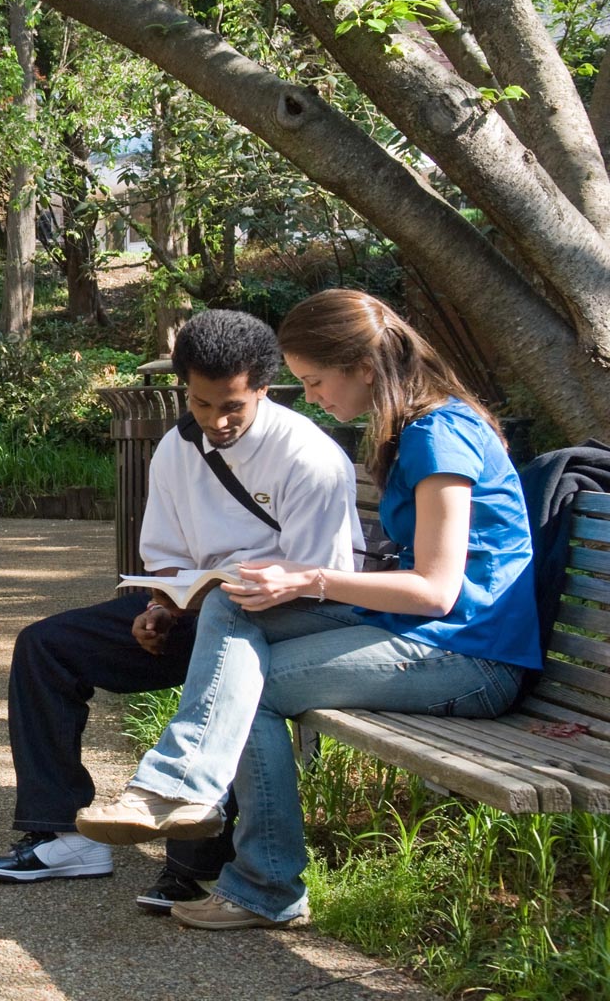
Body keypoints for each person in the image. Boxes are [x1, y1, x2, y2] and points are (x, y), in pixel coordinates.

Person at [75, 289, 538, 931]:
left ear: (365, 370)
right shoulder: (418, 429)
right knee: (233, 604)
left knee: (251, 688)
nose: (314, 398)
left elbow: (437, 590)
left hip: (471, 656)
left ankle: (244, 861)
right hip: (425, 636)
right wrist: (276, 583)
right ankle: (186, 794)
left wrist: (307, 577)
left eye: (316, 381)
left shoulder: (440, 436)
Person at [0, 309, 361, 914]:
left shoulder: (308, 457)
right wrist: (158, 606)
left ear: (263, 386)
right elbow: (169, 556)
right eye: (204, 404)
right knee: (46, 645)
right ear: (185, 387)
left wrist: (221, 596)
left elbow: (323, 583)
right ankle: (62, 835)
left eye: (233, 405)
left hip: (280, 627)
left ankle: (196, 869)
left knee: (227, 636)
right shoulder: (176, 449)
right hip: (196, 611)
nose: (218, 420)